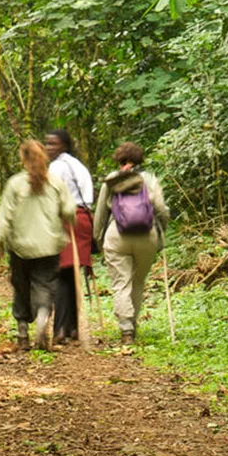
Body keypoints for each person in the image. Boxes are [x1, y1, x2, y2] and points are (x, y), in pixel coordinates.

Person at [0, 140, 76, 351]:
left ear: (23, 158)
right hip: (49, 245)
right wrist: (68, 221)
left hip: (20, 246)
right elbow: (69, 210)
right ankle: (42, 315)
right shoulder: (55, 183)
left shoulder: (15, 184)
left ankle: (22, 332)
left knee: (21, 286)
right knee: (44, 285)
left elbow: (4, 216)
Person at [92, 141, 170, 345]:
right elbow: (161, 209)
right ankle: (133, 322)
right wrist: (161, 232)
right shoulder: (149, 180)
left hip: (117, 235)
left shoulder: (111, 180)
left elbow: (101, 213)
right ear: (140, 159)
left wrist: (98, 240)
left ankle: (126, 329)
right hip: (147, 235)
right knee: (138, 281)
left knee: (121, 282)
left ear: (119, 160)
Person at [43, 129, 94, 343]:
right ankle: (72, 328)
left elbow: (51, 196)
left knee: (62, 273)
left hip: (67, 219)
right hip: (83, 220)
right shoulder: (78, 165)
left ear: (63, 145)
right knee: (73, 272)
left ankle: (60, 329)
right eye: (46, 143)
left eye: (52, 144)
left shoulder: (57, 167)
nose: (48, 148)